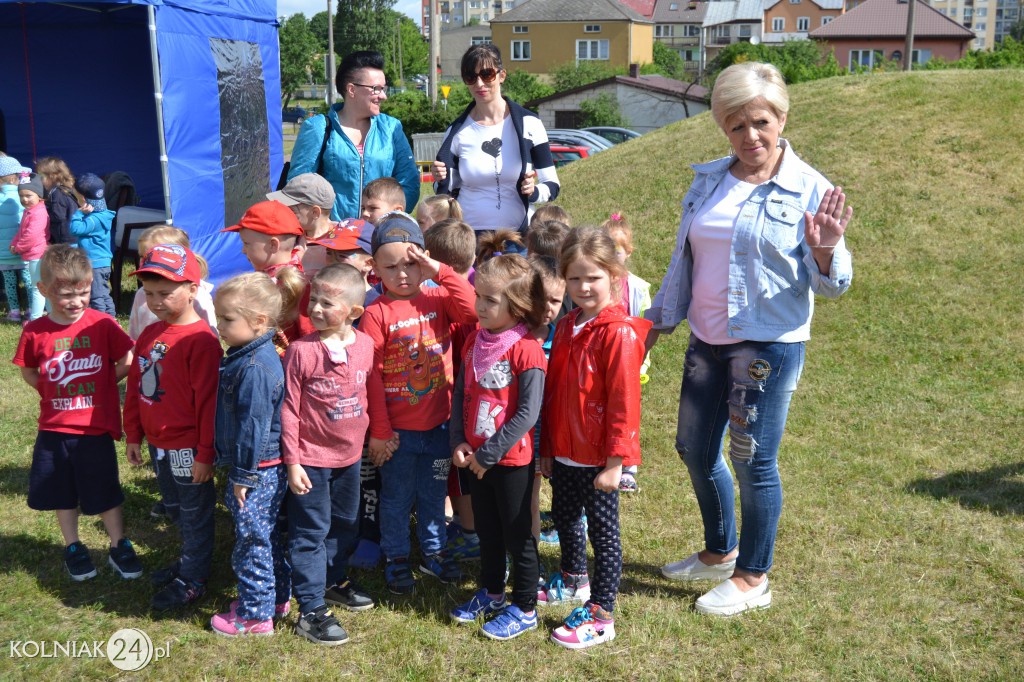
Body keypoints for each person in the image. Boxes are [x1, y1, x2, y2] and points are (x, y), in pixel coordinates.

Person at [645, 62, 853, 617]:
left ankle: (753, 575)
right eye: (736, 125)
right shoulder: (709, 180)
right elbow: (684, 258)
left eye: (761, 122)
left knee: (753, 460)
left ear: (781, 118)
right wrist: (657, 322)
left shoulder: (810, 188)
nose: (750, 136)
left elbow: (834, 284)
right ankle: (720, 552)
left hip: (767, 345)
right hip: (706, 338)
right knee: (693, 449)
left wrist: (826, 250)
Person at [539, 227, 650, 650]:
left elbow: (625, 403)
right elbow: (555, 393)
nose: (583, 287)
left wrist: (616, 462)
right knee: (564, 515)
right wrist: (548, 448)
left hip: (599, 458)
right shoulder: (568, 325)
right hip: (566, 452)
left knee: (603, 534)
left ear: (614, 276)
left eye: (593, 277)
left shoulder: (617, 333)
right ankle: (573, 579)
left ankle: (602, 614)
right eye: (574, 278)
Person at [361, 212, 477, 594]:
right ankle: (396, 556)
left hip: (440, 426)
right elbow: (372, 376)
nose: (402, 274)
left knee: (433, 494)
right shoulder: (375, 313)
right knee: (396, 498)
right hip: (398, 433)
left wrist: (439, 271)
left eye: (410, 264)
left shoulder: (438, 297)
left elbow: (473, 310)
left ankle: (434, 551)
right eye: (390, 267)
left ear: (423, 260)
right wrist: (380, 430)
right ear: (375, 267)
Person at [13, 244, 141, 582]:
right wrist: (47, 388)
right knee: (62, 490)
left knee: (105, 489)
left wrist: (105, 383)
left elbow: (127, 359)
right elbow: (28, 369)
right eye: (66, 295)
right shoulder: (35, 331)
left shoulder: (102, 324)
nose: (76, 302)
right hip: (54, 429)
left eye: (83, 293)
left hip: (94, 428)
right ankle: (73, 545)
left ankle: (118, 544)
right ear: (43, 290)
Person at [448, 254, 546, 641]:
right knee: (487, 530)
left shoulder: (527, 350)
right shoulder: (475, 339)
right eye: (478, 296)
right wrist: (458, 439)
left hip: (509, 462)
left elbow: (527, 413)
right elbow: (461, 393)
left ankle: (524, 607)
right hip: (474, 458)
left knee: (517, 535)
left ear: (517, 305)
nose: (480, 306)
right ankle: (491, 593)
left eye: (491, 300)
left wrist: (489, 454)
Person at [282, 264, 379, 645]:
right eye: (314, 301)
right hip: (310, 460)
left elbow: (369, 392)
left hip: (350, 458)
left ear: (354, 312)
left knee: (345, 523)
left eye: (327, 303)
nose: (316, 309)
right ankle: (310, 608)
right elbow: (289, 409)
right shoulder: (301, 351)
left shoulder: (365, 345)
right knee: (311, 531)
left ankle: (332, 580)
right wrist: (293, 462)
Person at [123, 244, 223, 610]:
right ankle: (188, 559)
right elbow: (136, 386)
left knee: (194, 512)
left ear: (193, 289)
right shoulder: (150, 334)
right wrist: (134, 434)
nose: (155, 302)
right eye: (149, 293)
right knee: (176, 507)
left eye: (165, 293)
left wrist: (204, 454)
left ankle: (194, 578)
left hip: (188, 448)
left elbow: (209, 405)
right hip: (158, 443)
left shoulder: (202, 341)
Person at [210, 273, 292, 637]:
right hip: (262, 467)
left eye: (227, 318)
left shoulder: (256, 367)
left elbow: (252, 427)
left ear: (259, 321)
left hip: (256, 470)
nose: (220, 325)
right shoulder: (251, 355)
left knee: (252, 540)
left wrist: (243, 475)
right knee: (267, 535)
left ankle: (256, 615)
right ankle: (276, 599)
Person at [433, 44, 560, 236]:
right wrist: (440, 179)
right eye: (471, 76)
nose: (479, 83)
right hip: (469, 239)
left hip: (517, 237)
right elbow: (445, 191)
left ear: (502, 75)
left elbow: (552, 185)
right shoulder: (456, 132)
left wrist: (533, 191)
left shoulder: (530, 124)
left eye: (487, 74)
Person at [288, 50, 419, 219]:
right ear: (351, 89)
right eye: (376, 89)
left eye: (384, 88)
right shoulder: (318, 128)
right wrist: (325, 224)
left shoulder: (391, 128)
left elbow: (409, 184)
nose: (383, 96)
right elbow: (298, 187)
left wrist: (386, 220)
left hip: (379, 232)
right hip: (332, 233)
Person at [601, 212, 652, 492]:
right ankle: (604, 458)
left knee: (627, 413)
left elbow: (644, 326)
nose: (611, 255)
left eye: (617, 251)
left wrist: (641, 359)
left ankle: (628, 467)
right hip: (602, 358)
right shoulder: (596, 282)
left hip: (629, 359)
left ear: (628, 252)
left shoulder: (638, 288)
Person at [222, 200, 311, 353]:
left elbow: (309, 336)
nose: (243, 250)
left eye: (247, 243)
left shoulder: (297, 286)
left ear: (273, 245)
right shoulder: (265, 277)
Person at [526, 255, 565, 542]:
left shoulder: (562, 340)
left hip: (545, 436)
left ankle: (530, 548)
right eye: (540, 299)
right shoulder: (511, 335)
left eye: (555, 301)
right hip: (513, 433)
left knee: (532, 495)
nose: (547, 307)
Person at [128, 225, 216, 341]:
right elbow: (135, 335)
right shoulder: (142, 293)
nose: (146, 261)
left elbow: (210, 336)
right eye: (142, 256)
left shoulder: (199, 297)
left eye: (164, 294)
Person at [268, 172, 339, 277]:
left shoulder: (340, 241)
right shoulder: (290, 236)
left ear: (315, 212)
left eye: (292, 210)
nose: (285, 214)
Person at [69, 173, 115, 316]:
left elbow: (75, 229)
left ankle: (100, 321)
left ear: (83, 199)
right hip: (103, 262)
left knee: (96, 297)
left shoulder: (93, 220)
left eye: (77, 198)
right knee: (103, 294)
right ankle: (111, 319)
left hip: (95, 263)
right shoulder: (103, 214)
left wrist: (78, 214)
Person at [11, 174, 50, 321]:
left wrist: (18, 247)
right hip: (34, 255)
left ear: (39, 195)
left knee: (38, 288)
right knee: (43, 286)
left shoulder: (38, 213)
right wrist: (14, 242)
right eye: (21, 196)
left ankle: (35, 319)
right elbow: (22, 231)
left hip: (37, 255)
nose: (24, 199)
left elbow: (31, 235)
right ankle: (52, 316)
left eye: (28, 195)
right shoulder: (30, 210)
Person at [0, 155, 28, 320]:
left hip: (3, 252)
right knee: (28, 281)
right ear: (14, 179)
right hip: (22, 249)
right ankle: (31, 309)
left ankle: (15, 312)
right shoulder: (24, 196)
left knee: (9, 283)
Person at [34, 156, 78, 246]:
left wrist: (43, 211)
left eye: (41, 177)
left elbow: (58, 215)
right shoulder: (66, 189)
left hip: (65, 239)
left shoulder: (58, 193)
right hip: (71, 237)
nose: (39, 180)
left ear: (53, 176)